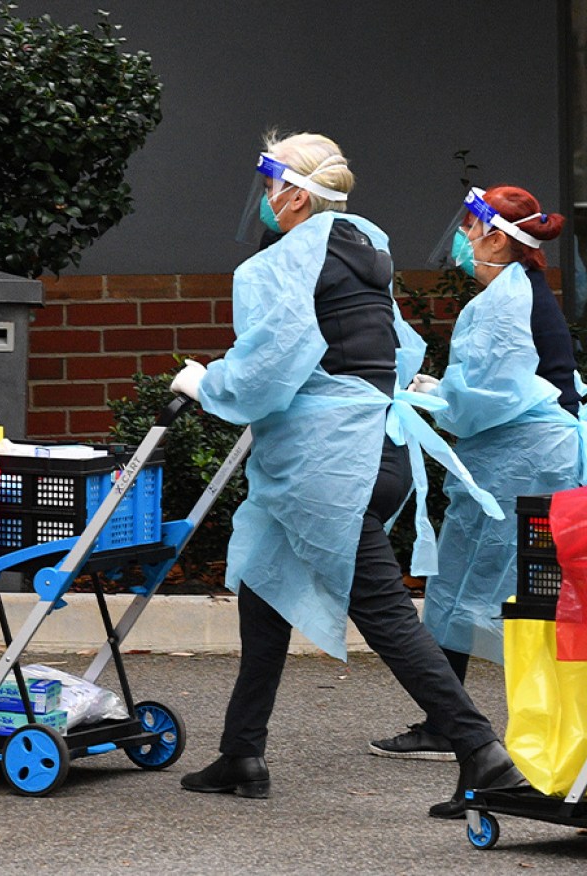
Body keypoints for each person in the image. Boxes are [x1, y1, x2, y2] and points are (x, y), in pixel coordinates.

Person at [169, 132, 521, 818]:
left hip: (325, 462)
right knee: (263, 587)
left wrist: (207, 383)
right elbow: (382, 346)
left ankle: (484, 753)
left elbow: (268, 366)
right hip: (373, 444)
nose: (266, 201)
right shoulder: (363, 246)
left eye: (271, 186)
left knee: (384, 613)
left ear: (296, 194)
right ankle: (242, 751)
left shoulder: (285, 260)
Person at [369, 184, 587, 772]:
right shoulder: (522, 291)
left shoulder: (501, 302)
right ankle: (446, 719)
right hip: (539, 457)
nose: (463, 238)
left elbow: (485, 398)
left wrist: (435, 400)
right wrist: (446, 394)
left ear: (498, 238)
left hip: (524, 464)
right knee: (547, 587)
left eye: (471, 228)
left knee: (527, 590)